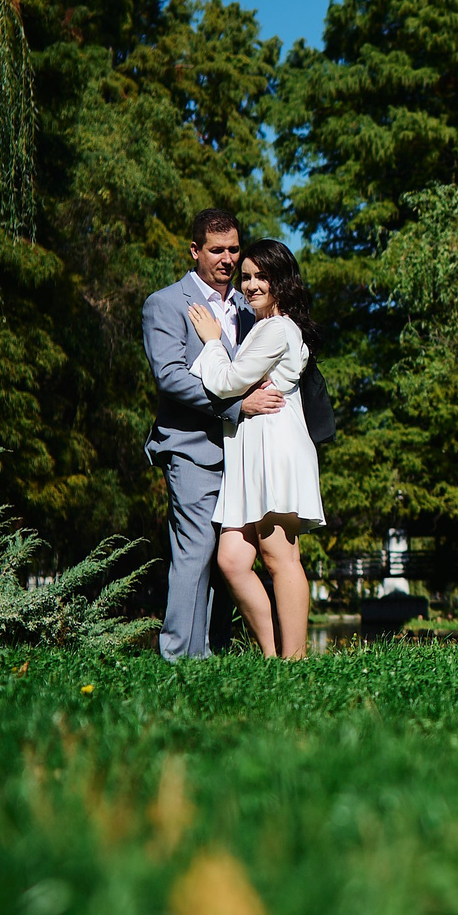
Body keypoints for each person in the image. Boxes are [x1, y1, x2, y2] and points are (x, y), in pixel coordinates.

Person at [141, 208, 285, 661]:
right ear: (195, 250)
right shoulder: (165, 303)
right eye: (217, 250)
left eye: (234, 250)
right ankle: (179, 656)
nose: (227, 259)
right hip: (191, 449)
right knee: (195, 551)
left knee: (232, 558)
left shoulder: (248, 306)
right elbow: (171, 377)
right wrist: (238, 405)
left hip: (243, 451)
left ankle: (216, 654)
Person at [186, 238, 325, 658]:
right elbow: (238, 383)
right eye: (246, 277)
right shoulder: (263, 326)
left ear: (282, 281)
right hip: (250, 447)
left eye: (262, 276)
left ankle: (295, 659)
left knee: (279, 555)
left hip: (276, 446)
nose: (251, 285)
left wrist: (212, 341)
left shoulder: (278, 328)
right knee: (232, 559)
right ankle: (271, 654)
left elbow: (227, 381)